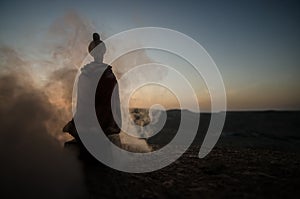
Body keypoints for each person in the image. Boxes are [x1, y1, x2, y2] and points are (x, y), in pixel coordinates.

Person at [63, 33, 121, 141]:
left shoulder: (84, 74)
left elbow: (82, 103)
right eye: (99, 52)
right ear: (102, 53)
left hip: (86, 121)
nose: (100, 55)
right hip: (103, 122)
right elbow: (114, 101)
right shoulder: (107, 75)